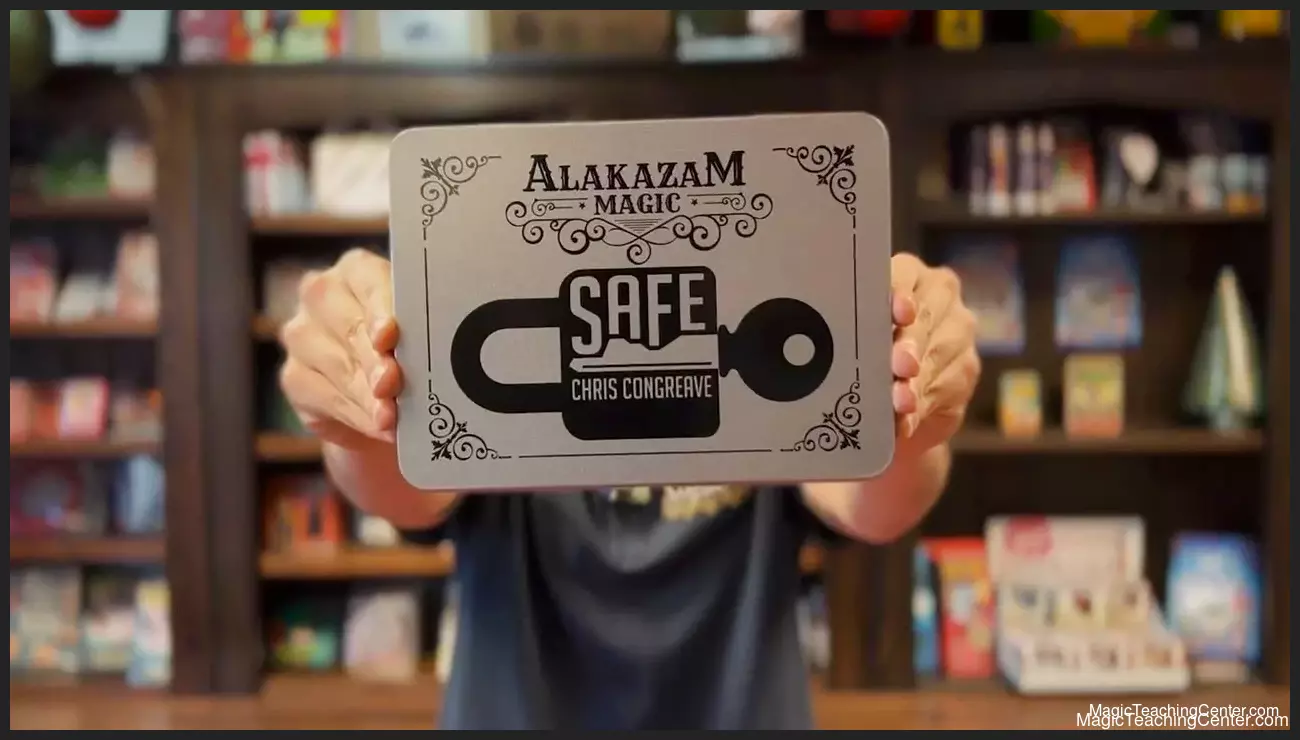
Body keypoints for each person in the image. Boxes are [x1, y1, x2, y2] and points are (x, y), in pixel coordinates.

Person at [278, 248, 979, 730]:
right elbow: (399, 488)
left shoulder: (763, 374)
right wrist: (358, 408)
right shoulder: (501, 362)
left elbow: (878, 506)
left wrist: (912, 416)